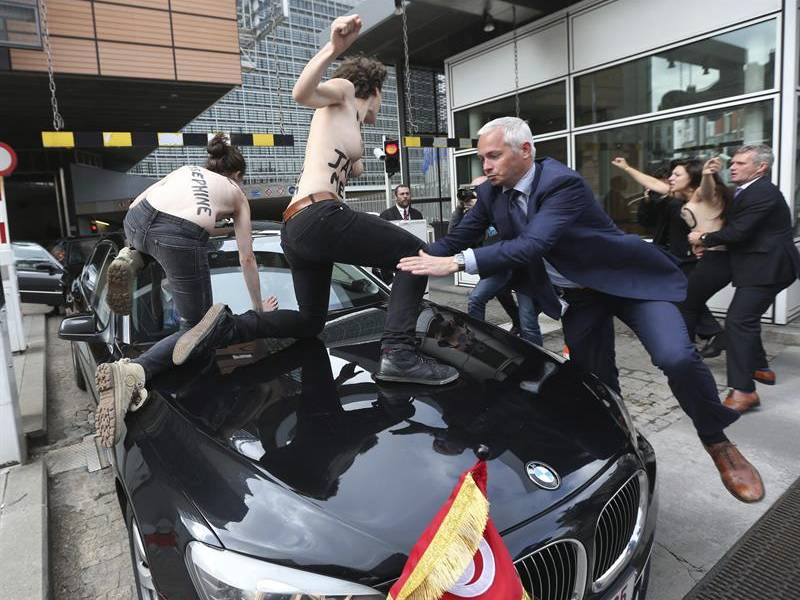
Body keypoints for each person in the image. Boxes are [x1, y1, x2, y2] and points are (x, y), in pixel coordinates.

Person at [399, 116, 764, 503]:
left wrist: (457, 264)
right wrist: (400, 253)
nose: (485, 166)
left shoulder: (561, 183)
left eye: (493, 156)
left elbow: (532, 244)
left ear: (525, 151)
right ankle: (625, 446)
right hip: (580, 297)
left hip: (629, 284)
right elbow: (457, 237)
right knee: (596, 380)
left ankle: (716, 441)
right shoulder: (492, 193)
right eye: (481, 157)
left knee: (676, 357)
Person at [171, 14, 457, 387]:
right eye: (381, 99)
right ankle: (398, 354)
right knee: (416, 256)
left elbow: (344, 166)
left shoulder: (348, 122)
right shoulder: (343, 90)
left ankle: (229, 327)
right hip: (321, 216)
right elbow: (302, 93)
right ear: (372, 87)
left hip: (299, 228)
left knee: (310, 322)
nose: (379, 111)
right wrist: (334, 49)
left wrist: (356, 158)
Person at [94, 134, 279, 447]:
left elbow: (152, 205)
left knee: (149, 240)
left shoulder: (186, 170)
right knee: (197, 328)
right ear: (236, 176)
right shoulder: (236, 193)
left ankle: (131, 257)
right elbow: (246, 257)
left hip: (135, 219)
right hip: (178, 234)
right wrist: (259, 310)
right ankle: (133, 373)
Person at [689, 144, 800, 413]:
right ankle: (761, 368)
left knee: (739, 321)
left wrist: (703, 238)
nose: (733, 167)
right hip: (760, 264)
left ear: (760, 167)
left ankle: (743, 391)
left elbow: (740, 232)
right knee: (747, 319)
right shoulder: (748, 190)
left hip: (768, 267)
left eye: (740, 163)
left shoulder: (763, 192)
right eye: (733, 162)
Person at [615, 157, 727, 357]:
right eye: (670, 175)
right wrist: (627, 167)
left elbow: (708, 190)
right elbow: (653, 184)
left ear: (692, 177)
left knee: (685, 302)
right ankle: (698, 344)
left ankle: (708, 342)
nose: (670, 178)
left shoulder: (704, 194)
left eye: (676, 175)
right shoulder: (677, 196)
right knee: (684, 302)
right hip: (694, 255)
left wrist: (707, 175)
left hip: (712, 259)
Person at [456, 176, 537, 342]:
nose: (472, 195)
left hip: (521, 265)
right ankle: (479, 338)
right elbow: (456, 236)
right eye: (471, 191)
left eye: (476, 191)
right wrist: (461, 210)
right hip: (496, 267)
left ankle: (536, 354)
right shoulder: (472, 212)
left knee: (528, 319)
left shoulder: (507, 205)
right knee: (479, 298)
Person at [374, 184, 423, 283]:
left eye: (407, 194)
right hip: (394, 264)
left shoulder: (417, 214)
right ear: (395, 197)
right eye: (402, 194)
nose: (405, 196)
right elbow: (382, 243)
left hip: (414, 261)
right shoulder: (386, 215)